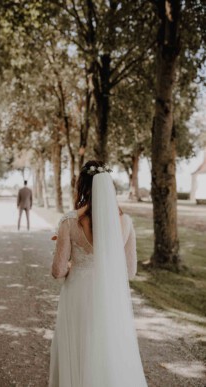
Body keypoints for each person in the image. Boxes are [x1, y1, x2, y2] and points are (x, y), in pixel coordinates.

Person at [49, 160, 147, 387]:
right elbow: (130, 272)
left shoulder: (69, 222)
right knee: (108, 352)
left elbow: (58, 271)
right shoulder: (126, 222)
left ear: (82, 187)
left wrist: (70, 260)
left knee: (79, 348)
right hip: (110, 296)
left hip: (77, 296)